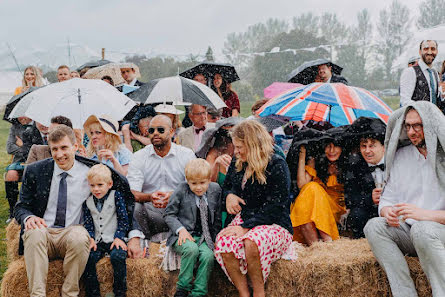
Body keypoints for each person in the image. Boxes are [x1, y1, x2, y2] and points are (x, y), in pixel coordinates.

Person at [14, 125, 135, 297]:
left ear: (76, 146)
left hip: (72, 232)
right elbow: (21, 206)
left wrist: (133, 235)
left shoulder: (91, 172)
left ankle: (70, 293)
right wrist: (28, 217)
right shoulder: (36, 171)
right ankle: (37, 294)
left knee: (79, 236)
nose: (59, 154)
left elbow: (125, 197)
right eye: (54, 149)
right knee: (33, 232)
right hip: (44, 232)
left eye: (64, 147)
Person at [364, 101, 445, 297]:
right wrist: (387, 211)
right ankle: (405, 293)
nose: (411, 132)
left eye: (418, 125)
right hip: (411, 233)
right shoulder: (400, 156)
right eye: (407, 126)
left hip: (438, 233)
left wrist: (423, 215)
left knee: (422, 228)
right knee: (373, 226)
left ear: (432, 125)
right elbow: (387, 199)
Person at [214, 120, 293, 297]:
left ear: (252, 144)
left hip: (274, 223)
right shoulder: (238, 160)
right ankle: (244, 293)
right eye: (235, 147)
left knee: (252, 242)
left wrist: (246, 227)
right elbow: (228, 186)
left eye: (240, 147)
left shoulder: (277, 164)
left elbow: (277, 206)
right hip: (245, 219)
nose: (236, 152)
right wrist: (230, 195)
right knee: (224, 243)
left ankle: (259, 292)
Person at [126, 115, 196, 245]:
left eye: (160, 130)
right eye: (151, 131)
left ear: (171, 131)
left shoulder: (186, 154)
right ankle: (147, 245)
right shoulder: (139, 157)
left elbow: (195, 186)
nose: (155, 133)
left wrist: (174, 196)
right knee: (134, 207)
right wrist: (150, 197)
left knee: (192, 200)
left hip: (179, 211)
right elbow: (132, 192)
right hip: (151, 212)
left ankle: (184, 238)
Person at [164, 159, 222, 297]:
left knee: (208, 256)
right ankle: (182, 288)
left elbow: (217, 218)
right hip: (184, 235)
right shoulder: (181, 190)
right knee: (191, 249)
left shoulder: (215, 190)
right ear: (187, 181)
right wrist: (180, 230)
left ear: (209, 180)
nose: (198, 187)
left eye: (202, 183)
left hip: (205, 237)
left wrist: (216, 238)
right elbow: (169, 214)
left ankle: (198, 292)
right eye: (193, 183)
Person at [289, 127, 347, 245]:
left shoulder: (348, 163)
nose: (331, 150)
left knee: (312, 189)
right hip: (316, 207)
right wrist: (302, 156)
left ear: (342, 148)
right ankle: (317, 247)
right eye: (328, 146)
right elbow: (302, 184)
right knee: (311, 189)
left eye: (335, 146)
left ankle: (323, 241)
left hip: (336, 208)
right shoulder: (318, 162)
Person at [82, 164, 129, 297]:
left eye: (100, 185)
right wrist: (91, 237)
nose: (96, 189)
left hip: (115, 239)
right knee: (88, 258)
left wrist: (119, 236)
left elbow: (123, 219)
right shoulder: (88, 201)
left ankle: (120, 291)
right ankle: (93, 292)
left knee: (117, 257)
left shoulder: (116, 196)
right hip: (98, 240)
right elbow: (89, 223)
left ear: (109, 184)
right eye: (92, 185)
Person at [344, 117, 386, 239]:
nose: (367, 151)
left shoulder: (396, 162)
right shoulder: (354, 167)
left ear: (383, 147)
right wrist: (370, 199)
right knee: (356, 214)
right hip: (369, 214)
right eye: (363, 146)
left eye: (372, 146)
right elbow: (350, 199)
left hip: (395, 211)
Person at [4, 116, 34, 222]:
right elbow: (9, 147)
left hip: (35, 161)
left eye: (23, 114)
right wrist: (25, 148)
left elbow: (40, 147)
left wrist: (22, 145)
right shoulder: (15, 127)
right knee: (11, 174)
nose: (21, 117)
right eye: (19, 115)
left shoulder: (39, 125)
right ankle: (12, 211)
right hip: (19, 162)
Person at [399, 40, 442, 108]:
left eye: (433, 49)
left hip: (432, 117)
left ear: (436, 51)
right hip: (416, 117)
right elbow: (405, 101)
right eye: (426, 49)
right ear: (420, 51)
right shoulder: (410, 72)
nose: (430, 52)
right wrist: (423, 110)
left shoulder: (435, 73)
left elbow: (436, 99)